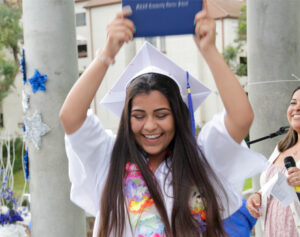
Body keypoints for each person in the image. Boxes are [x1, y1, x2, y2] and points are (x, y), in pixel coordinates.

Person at [59, 2, 267, 237]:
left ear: (178, 116)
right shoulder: (108, 157)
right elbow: (70, 117)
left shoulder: (202, 158)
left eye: (161, 115)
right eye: (138, 116)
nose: (150, 126)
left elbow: (241, 118)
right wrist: (107, 53)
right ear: (126, 119)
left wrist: (209, 50)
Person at [246, 86, 300, 237]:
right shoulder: (281, 147)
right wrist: (258, 196)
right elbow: (269, 186)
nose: (297, 108)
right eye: (293, 103)